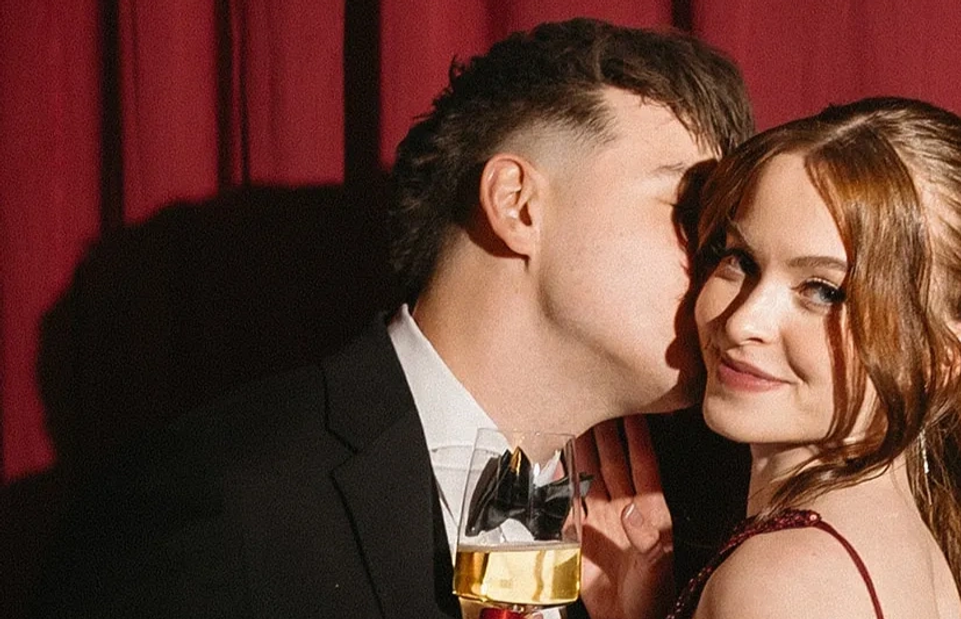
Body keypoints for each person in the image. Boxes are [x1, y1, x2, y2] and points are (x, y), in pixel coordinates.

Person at [32, 18, 753, 619]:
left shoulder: (638, 558)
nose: (725, 268)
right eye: (691, 212)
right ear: (518, 206)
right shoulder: (222, 501)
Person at [666, 97, 961, 619]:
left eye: (823, 291)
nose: (744, 321)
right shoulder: (901, 545)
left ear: (945, 355)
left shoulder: (784, 583)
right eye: (740, 260)